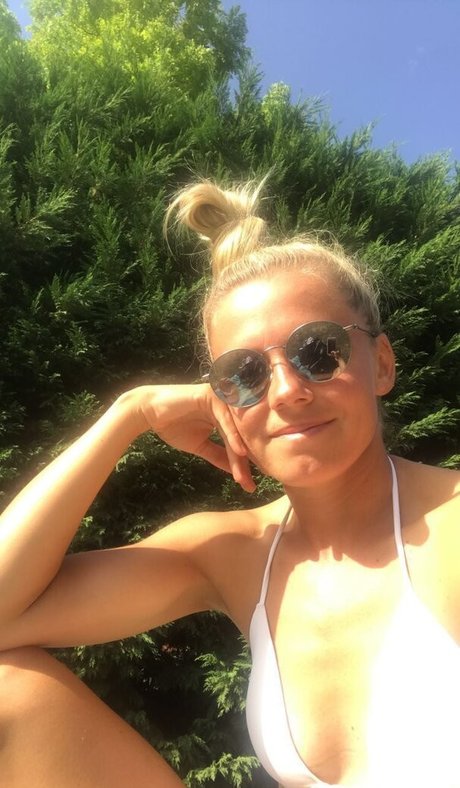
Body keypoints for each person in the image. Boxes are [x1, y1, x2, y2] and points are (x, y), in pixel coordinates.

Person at [0, 178, 459, 788]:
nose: (287, 391)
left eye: (318, 351)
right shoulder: (231, 554)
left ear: (382, 364)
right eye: (244, 374)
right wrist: (129, 414)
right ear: (221, 401)